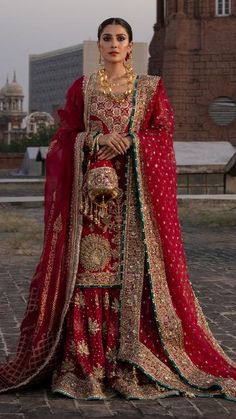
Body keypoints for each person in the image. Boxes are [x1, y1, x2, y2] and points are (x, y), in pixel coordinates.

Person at [0, 17, 236, 401]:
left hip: (135, 202)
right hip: (90, 203)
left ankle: (126, 363)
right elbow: (65, 135)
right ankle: (84, 364)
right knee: (90, 271)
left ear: (130, 46)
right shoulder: (83, 88)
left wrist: (129, 140)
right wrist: (94, 139)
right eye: (107, 38)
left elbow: (162, 133)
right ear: (99, 45)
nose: (113, 44)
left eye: (121, 38)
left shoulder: (149, 89)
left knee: (130, 276)